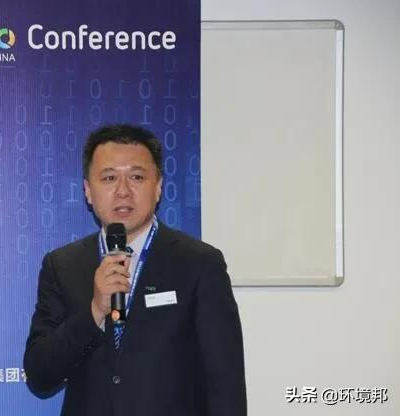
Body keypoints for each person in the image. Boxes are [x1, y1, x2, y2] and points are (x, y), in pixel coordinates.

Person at [24, 124, 247, 416]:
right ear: (88, 190)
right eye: (109, 178)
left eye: (137, 177)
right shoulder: (62, 265)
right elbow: (40, 375)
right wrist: (94, 311)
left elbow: (225, 383)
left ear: (158, 187)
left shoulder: (199, 263)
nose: (123, 191)